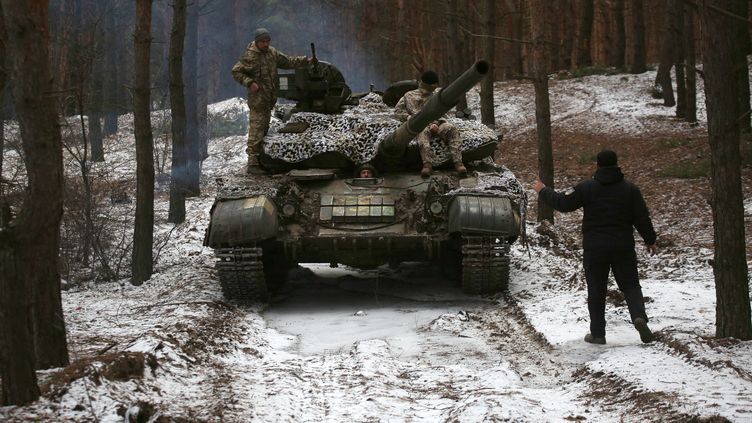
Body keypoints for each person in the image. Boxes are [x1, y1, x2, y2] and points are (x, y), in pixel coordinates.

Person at [533, 149, 658, 345]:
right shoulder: (630, 190)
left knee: (596, 289)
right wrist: (650, 239)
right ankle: (638, 317)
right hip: (623, 247)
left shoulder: (587, 188)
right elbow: (642, 218)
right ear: (617, 165)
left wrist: (542, 190)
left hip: (595, 248)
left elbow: (563, 203)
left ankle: (598, 334)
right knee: (631, 285)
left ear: (597, 166)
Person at [231, 28, 313, 173]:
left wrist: (306, 61)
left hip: (269, 99)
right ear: (257, 41)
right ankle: (253, 164)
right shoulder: (250, 56)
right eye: (263, 41)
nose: (266, 44)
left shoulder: (272, 53)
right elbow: (236, 71)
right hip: (258, 100)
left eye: (268, 41)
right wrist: (249, 83)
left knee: (264, 129)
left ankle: (261, 160)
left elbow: (287, 61)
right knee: (256, 130)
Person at [394, 70, 466, 178]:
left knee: (451, 129)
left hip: (436, 124)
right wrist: (409, 118)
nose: (435, 86)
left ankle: (458, 163)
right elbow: (398, 111)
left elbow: (442, 112)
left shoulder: (436, 97)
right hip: (419, 124)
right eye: (433, 84)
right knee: (422, 134)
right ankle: (427, 165)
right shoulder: (408, 96)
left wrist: (436, 123)